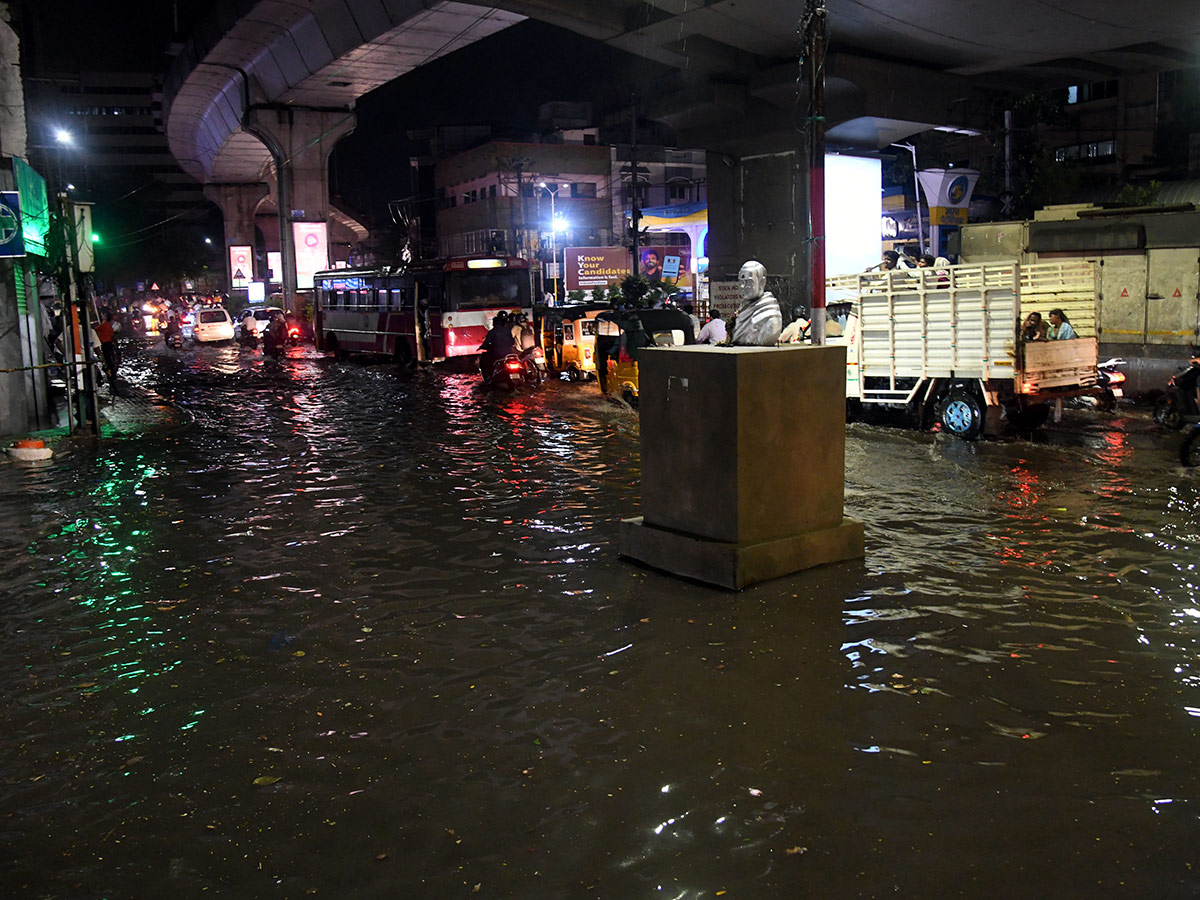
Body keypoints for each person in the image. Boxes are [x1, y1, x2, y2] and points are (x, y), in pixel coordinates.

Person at [730, 260, 782, 346]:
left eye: (748, 282)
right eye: (741, 282)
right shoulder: (743, 308)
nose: (743, 286)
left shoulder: (769, 317)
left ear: (762, 282)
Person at [478, 311, 517, 382]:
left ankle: (488, 379)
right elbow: (512, 341)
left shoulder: (493, 332)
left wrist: (482, 347)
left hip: (498, 354)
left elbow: (486, 343)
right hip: (509, 353)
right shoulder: (508, 330)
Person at [92, 311, 118, 383]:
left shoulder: (103, 326)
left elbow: (94, 329)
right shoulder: (108, 325)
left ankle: (110, 374)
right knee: (108, 359)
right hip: (108, 344)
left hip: (105, 344)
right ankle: (111, 373)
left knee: (107, 359)